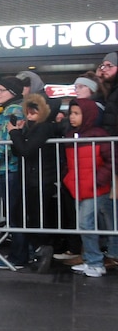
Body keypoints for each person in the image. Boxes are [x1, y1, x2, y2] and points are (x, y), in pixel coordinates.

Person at [9, 92, 64, 271]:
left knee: (36, 218)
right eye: (28, 110)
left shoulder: (44, 127)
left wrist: (15, 133)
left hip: (40, 180)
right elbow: (20, 151)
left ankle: (43, 251)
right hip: (33, 179)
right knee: (27, 217)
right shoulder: (33, 127)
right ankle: (40, 252)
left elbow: (26, 150)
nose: (30, 113)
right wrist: (17, 133)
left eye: (35, 110)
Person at [62, 99, 113, 277]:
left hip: (94, 187)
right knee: (92, 223)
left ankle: (95, 262)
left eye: (77, 113)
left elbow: (111, 160)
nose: (72, 117)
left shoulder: (99, 135)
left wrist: (98, 180)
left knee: (87, 223)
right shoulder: (71, 135)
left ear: (88, 114)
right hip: (81, 186)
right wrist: (68, 179)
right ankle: (95, 259)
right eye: (71, 113)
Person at [0, 75, 28, 268]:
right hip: (8, 168)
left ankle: (18, 256)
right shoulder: (8, 109)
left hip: (9, 168)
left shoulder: (13, 110)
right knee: (15, 213)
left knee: (14, 214)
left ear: (12, 92)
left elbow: (6, 141)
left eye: (1, 90)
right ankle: (21, 253)